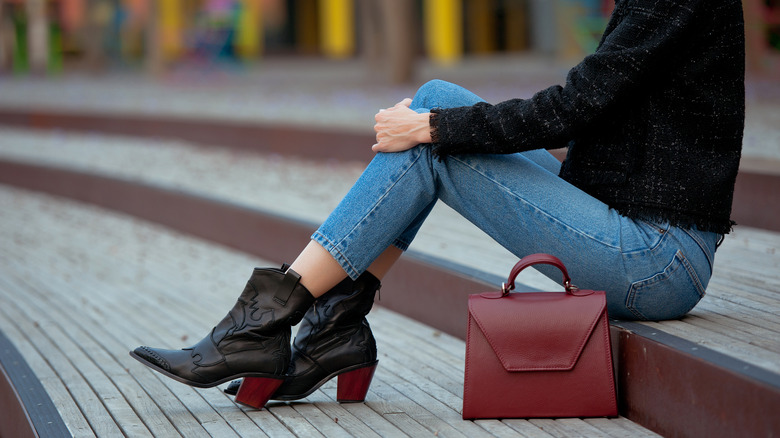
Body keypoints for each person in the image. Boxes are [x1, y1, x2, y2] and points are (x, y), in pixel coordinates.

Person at [130, 0, 745, 409]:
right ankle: (327, 325)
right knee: (434, 100)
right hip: (623, 221)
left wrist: (436, 130)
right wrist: (437, 122)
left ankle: (269, 322)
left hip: (656, 259)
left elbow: (574, 107)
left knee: (431, 138)